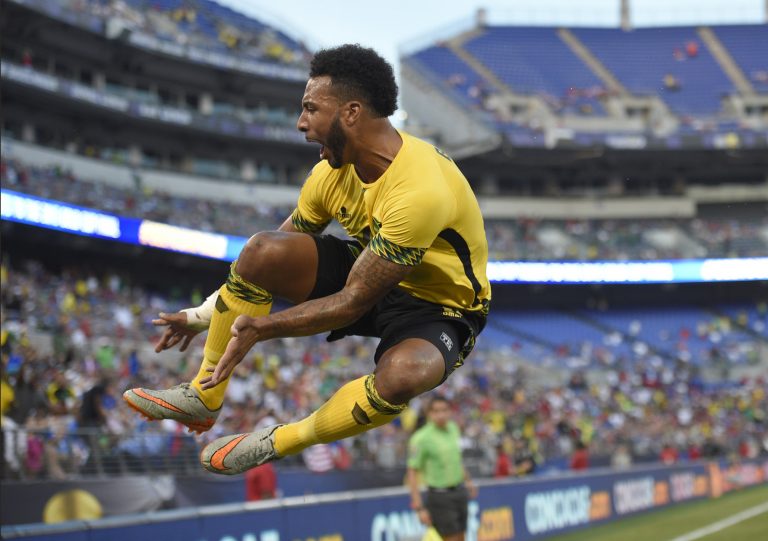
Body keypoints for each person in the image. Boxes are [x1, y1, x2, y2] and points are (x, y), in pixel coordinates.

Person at [123, 44, 491, 475]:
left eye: (311, 108)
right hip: (371, 266)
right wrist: (202, 315)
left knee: (403, 376)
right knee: (264, 248)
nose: (301, 123)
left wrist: (264, 327)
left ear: (351, 113)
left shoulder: (420, 190)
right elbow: (263, 262)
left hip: (441, 306)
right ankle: (203, 398)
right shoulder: (328, 176)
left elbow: (353, 302)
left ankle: (279, 441)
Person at [407, 396, 477, 541]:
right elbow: (412, 472)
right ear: (429, 413)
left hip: (459, 491)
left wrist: (468, 481)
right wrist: (419, 507)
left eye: (444, 410)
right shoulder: (421, 438)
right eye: (436, 411)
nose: (441, 415)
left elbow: (456, 459)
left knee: (462, 536)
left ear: (450, 411)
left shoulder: (453, 429)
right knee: (450, 538)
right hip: (440, 497)